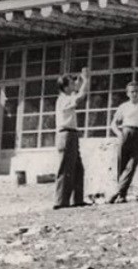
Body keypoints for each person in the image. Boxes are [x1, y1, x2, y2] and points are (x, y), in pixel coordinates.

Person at [53, 66, 90, 210]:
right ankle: (60, 201)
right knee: (65, 168)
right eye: (72, 83)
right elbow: (80, 97)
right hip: (66, 134)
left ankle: (77, 200)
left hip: (71, 134)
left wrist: (81, 81)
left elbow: (78, 92)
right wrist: (86, 80)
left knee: (77, 168)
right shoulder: (63, 99)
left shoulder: (66, 97)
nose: (74, 84)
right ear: (65, 87)